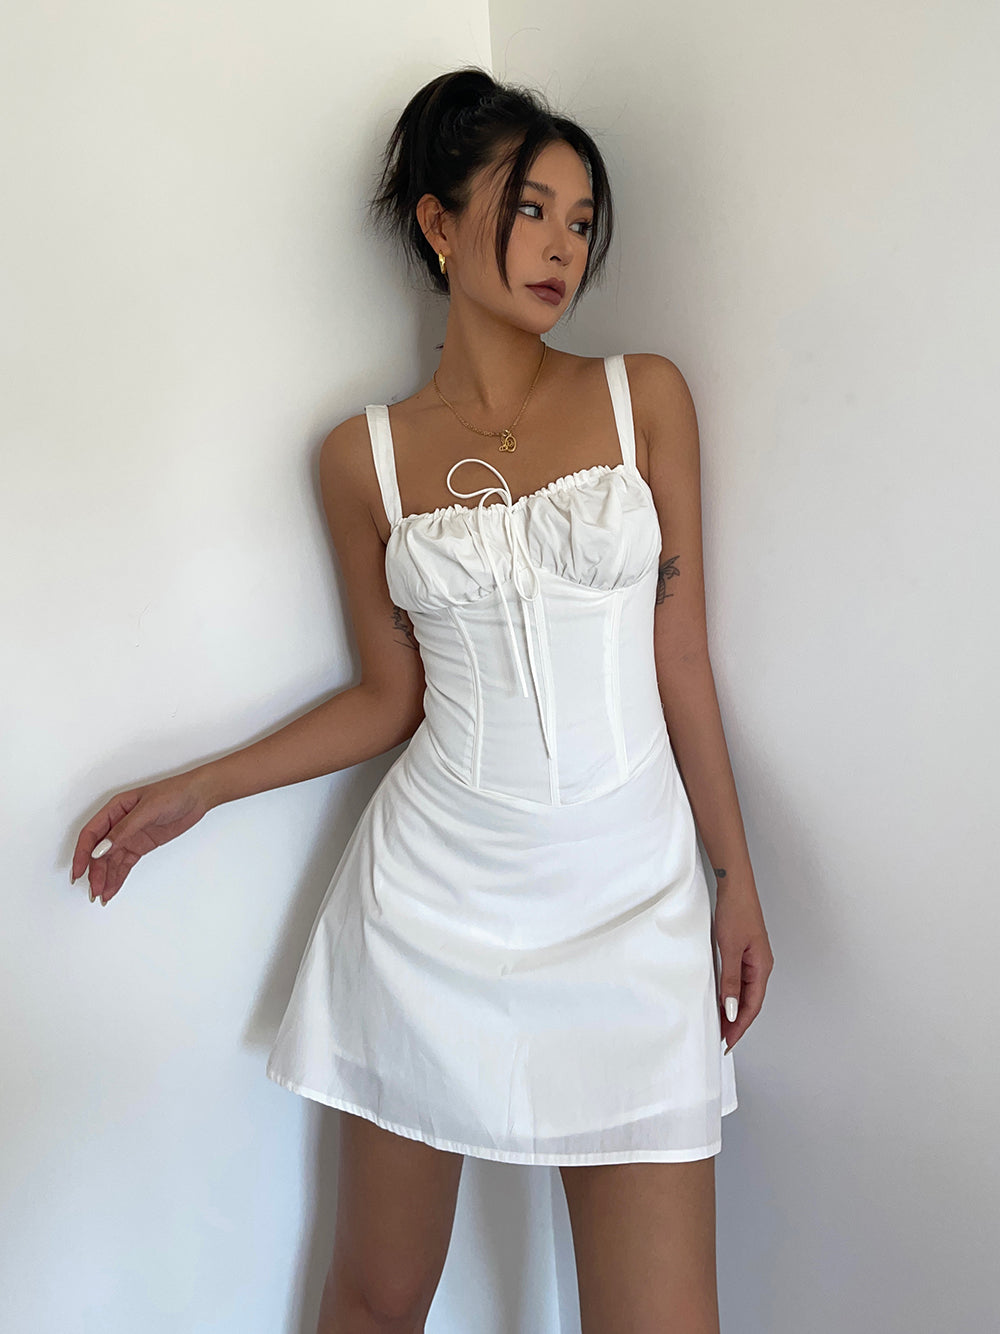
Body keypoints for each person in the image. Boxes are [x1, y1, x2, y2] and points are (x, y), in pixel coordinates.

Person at [71, 65, 773, 1334]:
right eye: (529, 208)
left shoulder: (644, 398)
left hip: (635, 905)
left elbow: (681, 655)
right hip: (430, 914)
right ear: (440, 225)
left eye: (580, 220)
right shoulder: (364, 458)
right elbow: (390, 697)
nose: (562, 246)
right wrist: (200, 787)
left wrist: (734, 876)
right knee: (378, 1296)